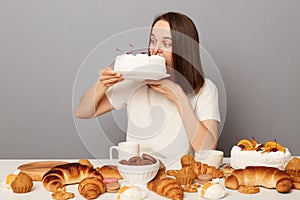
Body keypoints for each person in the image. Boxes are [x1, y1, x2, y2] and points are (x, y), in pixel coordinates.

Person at [76, 12, 220, 166]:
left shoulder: (205, 89)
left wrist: (179, 98)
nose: (155, 49)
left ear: (183, 51)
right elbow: (83, 112)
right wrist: (102, 84)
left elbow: (207, 149)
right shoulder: (135, 83)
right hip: (137, 174)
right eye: (153, 41)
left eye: (166, 44)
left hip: (180, 178)